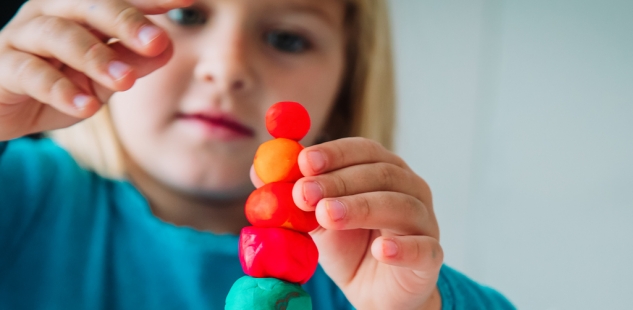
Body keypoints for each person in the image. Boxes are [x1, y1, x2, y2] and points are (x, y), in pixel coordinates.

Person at [0, 0, 515, 309]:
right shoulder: (24, 198)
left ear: (349, 83)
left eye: (286, 38)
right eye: (186, 13)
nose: (228, 67)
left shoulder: (361, 266)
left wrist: (419, 305)